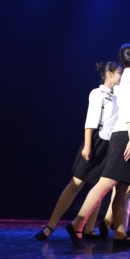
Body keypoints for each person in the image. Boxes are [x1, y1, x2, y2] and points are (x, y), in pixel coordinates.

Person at [67, 44, 130, 248]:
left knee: (122, 187)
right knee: (107, 182)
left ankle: (119, 233)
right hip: (127, 134)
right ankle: (77, 224)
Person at [34, 62, 121, 241]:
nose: (121, 76)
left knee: (98, 187)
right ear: (110, 74)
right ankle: (51, 225)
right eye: (119, 73)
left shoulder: (118, 95)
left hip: (110, 144)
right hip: (95, 142)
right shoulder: (97, 93)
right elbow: (90, 122)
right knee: (76, 184)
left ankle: (89, 229)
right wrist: (88, 145)